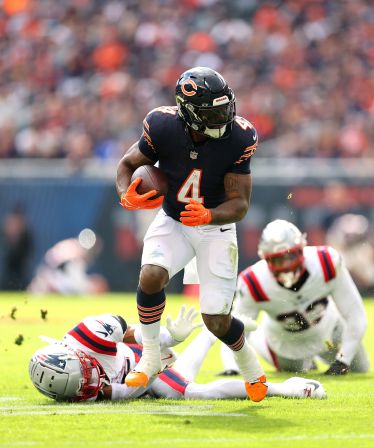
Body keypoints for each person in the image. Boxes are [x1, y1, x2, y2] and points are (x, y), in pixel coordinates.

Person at [116, 66, 266, 402]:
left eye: (225, 107)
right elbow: (127, 164)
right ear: (190, 114)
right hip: (174, 221)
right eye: (214, 111)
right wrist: (125, 193)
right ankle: (151, 357)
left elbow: (240, 203)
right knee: (152, 275)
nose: (224, 116)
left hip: (216, 228)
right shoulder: (162, 125)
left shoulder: (240, 137)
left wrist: (210, 214)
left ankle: (252, 369)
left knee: (216, 321)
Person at [29, 308, 326, 402]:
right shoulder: (73, 388)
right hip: (134, 377)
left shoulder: (91, 332)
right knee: (173, 383)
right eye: (81, 384)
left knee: (184, 392)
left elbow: (136, 334)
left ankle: (284, 389)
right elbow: (130, 390)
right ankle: (215, 331)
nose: (88, 381)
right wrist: (112, 391)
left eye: (84, 372)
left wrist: (170, 338)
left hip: (144, 355)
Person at [219, 219, 370, 376]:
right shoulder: (253, 282)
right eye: (278, 259)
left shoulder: (327, 262)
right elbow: (238, 328)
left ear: (301, 250)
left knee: (360, 369)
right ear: (265, 258)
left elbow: (355, 314)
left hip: (330, 330)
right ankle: (261, 338)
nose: (286, 265)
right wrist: (232, 366)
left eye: (290, 256)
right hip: (287, 346)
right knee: (297, 371)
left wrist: (343, 360)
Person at [27, 229, 108, 295]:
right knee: (98, 285)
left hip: (46, 277)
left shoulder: (71, 246)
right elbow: (76, 282)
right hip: (49, 280)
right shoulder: (76, 253)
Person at [1, 205, 33, 290]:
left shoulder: (26, 237)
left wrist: (15, 237)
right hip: (5, 276)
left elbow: (24, 255)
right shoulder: (3, 236)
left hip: (20, 276)